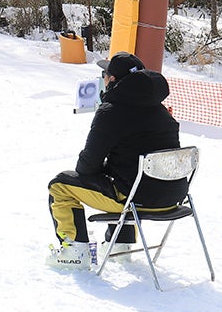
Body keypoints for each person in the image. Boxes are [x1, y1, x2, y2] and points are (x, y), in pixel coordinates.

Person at [46, 52, 184, 262]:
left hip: (138, 200)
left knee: (59, 185)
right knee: (124, 179)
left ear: (111, 79)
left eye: (104, 74)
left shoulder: (111, 112)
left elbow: (87, 166)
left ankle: (75, 252)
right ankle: (120, 245)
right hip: (173, 196)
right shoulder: (162, 112)